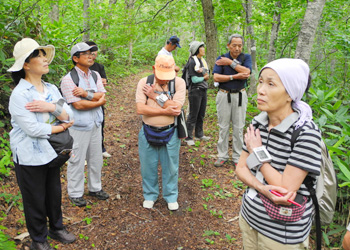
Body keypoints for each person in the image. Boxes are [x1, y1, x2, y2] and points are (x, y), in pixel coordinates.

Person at [235, 58, 322, 249]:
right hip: (250, 219)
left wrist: (257, 152)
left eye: (271, 83)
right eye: (260, 81)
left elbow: (284, 187)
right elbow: (241, 167)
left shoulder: (306, 133)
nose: (260, 90)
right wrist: (261, 187)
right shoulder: (259, 122)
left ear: (290, 94)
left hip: (282, 235)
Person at [8, 38, 75, 250]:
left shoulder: (52, 89)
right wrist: (61, 127)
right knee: (35, 199)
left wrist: (49, 106)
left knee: (53, 193)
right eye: (38, 55)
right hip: (29, 154)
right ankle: (39, 239)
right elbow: (33, 130)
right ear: (26, 64)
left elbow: (69, 114)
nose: (45, 59)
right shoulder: (19, 95)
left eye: (44, 54)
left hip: (51, 151)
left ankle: (57, 228)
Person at [60, 42, 109, 207]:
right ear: (75, 58)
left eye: (91, 53)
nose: (90, 56)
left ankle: (95, 188)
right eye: (85, 54)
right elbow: (78, 105)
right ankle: (75, 192)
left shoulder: (95, 75)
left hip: (95, 123)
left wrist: (85, 94)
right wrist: (96, 99)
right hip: (78, 127)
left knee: (96, 159)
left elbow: (103, 96)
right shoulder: (68, 80)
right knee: (77, 160)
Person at [136, 55, 186, 211]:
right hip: (147, 130)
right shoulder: (144, 83)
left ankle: (171, 196)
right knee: (147, 166)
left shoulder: (179, 83)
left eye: (167, 77)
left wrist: (154, 96)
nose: (164, 80)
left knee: (171, 166)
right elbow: (140, 109)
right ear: (154, 69)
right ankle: (150, 195)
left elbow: (176, 109)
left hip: (170, 131)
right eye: (161, 76)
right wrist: (165, 109)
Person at [213, 34, 252, 167]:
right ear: (228, 45)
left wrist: (230, 63)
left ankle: (237, 157)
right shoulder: (221, 58)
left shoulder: (245, 57)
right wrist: (234, 76)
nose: (237, 48)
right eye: (234, 45)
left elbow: (247, 72)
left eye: (239, 45)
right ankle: (222, 155)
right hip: (224, 95)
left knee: (239, 127)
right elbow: (216, 77)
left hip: (240, 96)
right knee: (223, 127)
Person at [85, 41, 111, 158]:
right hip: (84, 104)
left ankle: (100, 148)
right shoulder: (75, 72)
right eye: (89, 51)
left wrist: (102, 83)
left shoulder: (99, 67)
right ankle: (85, 152)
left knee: (100, 125)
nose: (92, 54)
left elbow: (103, 83)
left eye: (94, 51)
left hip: (98, 103)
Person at [184, 41, 210, 146]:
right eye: (201, 48)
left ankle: (199, 134)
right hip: (195, 90)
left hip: (203, 89)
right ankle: (188, 137)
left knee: (201, 114)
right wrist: (204, 77)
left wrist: (204, 76)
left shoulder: (202, 61)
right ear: (196, 50)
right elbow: (194, 79)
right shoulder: (192, 62)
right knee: (193, 114)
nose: (203, 49)